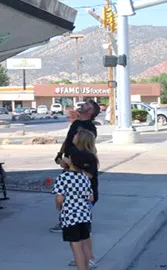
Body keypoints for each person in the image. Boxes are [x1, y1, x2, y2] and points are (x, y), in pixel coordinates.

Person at [51, 99, 99, 233]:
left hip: (80, 164)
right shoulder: (76, 123)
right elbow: (68, 140)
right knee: (67, 192)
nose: (82, 105)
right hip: (70, 163)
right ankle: (66, 222)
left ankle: (81, 223)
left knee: (82, 194)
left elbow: (88, 147)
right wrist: (61, 153)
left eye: (87, 105)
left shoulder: (90, 128)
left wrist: (78, 164)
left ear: (90, 111)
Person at [54, 150, 95, 270]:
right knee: (84, 245)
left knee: (76, 247)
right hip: (85, 215)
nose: (66, 158)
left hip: (70, 216)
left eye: (68, 157)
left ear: (72, 161)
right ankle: (86, 267)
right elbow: (91, 198)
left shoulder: (63, 177)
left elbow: (59, 197)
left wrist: (58, 206)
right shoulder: (85, 177)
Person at [68, 128, 99, 268]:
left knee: (84, 230)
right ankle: (82, 258)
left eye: (76, 135)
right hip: (73, 196)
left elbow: (89, 175)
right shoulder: (74, 153)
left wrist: (71, 167)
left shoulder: (89, 156)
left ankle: (89, 257)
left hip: (85, 196)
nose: (73, 136)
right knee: (78, 230)